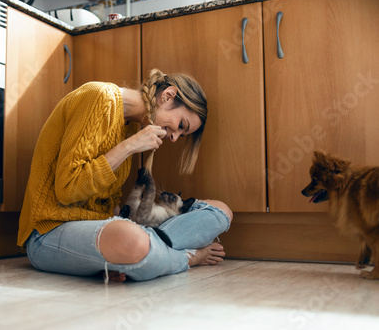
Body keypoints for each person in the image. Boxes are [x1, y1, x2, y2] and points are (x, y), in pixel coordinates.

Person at [17, 69, 233, 282]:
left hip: (95, 231)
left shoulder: (129, 127)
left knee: (220, 212)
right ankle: (184, 257)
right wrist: (129, 146)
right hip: (47, 234)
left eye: (181, 135)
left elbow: (104, 204)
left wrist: (122, 218)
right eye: (180, 126)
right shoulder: (98, 97)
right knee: (132, 239)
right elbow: (67, 190)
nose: (174, 138)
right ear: (167, 96)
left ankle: (144, 253)